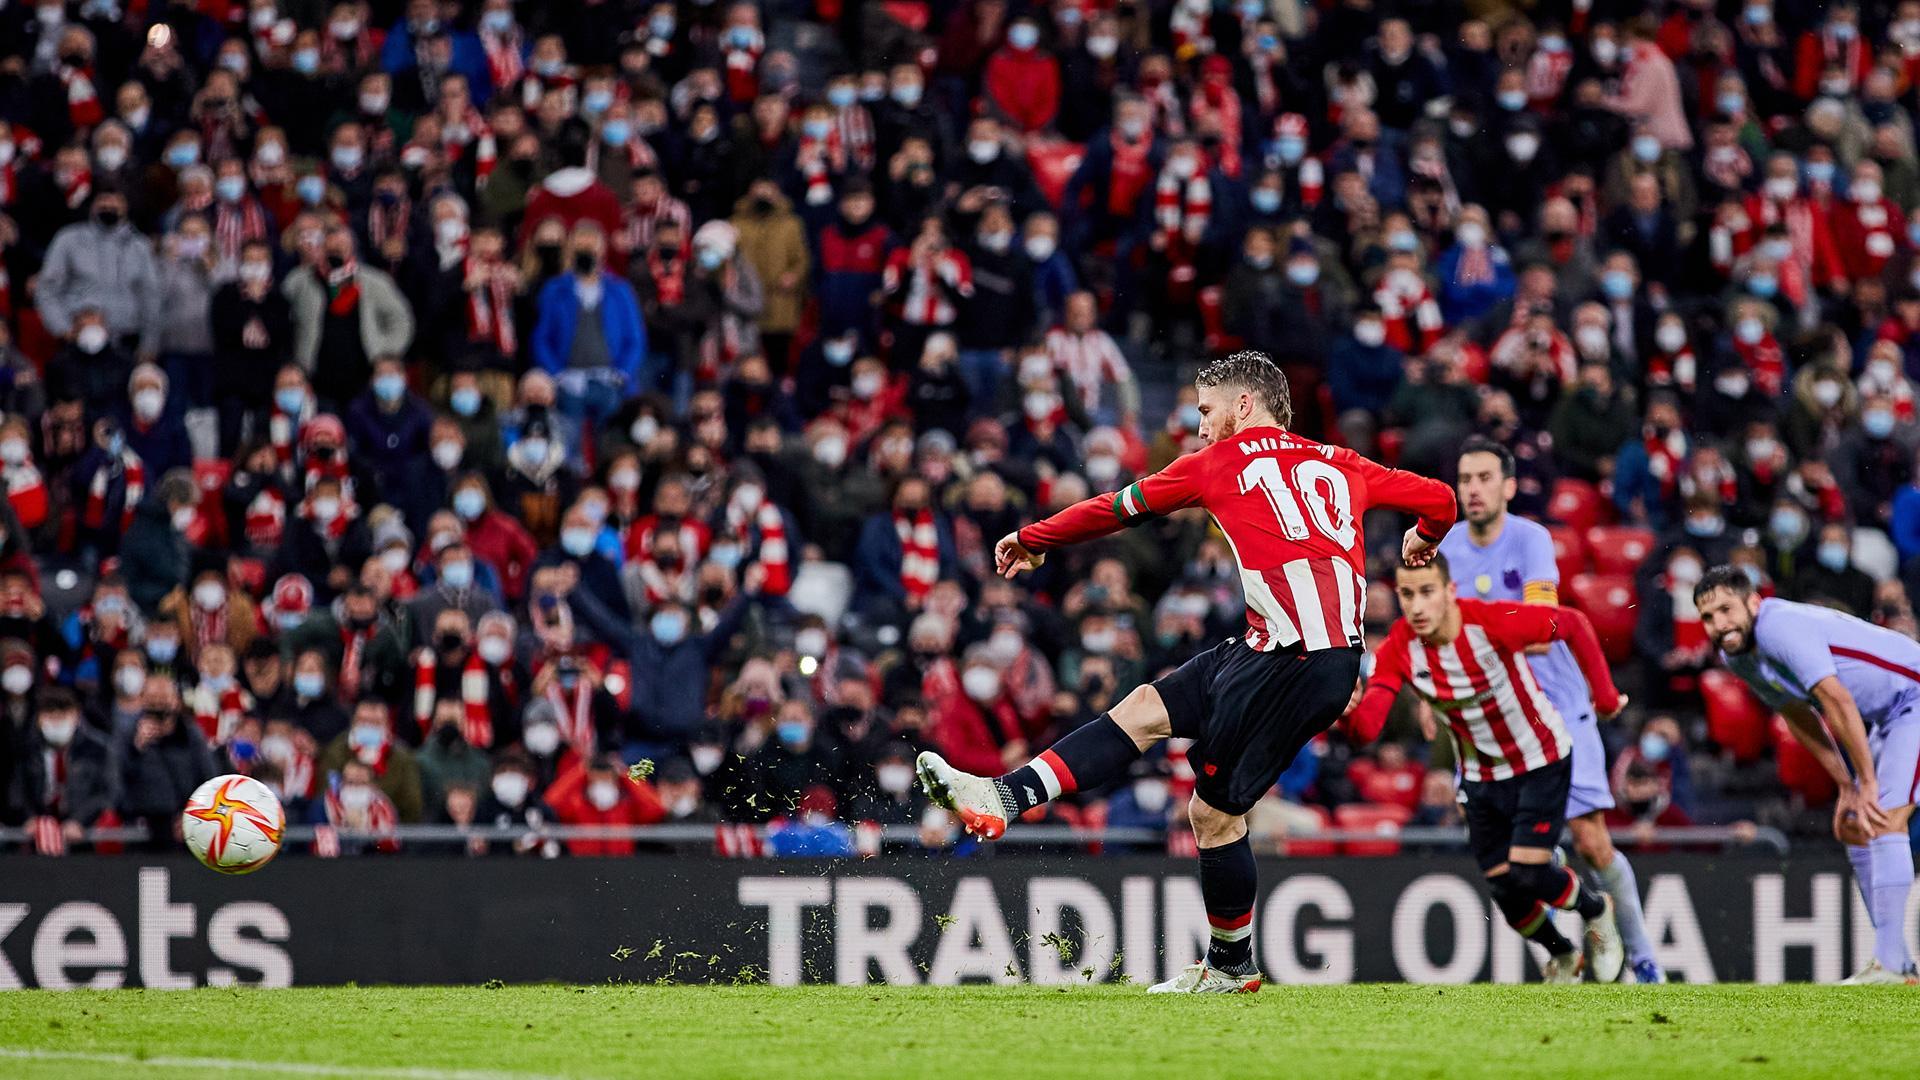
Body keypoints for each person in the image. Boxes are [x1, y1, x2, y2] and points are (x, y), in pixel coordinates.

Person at [915, 350, 1457, 993]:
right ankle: (1001, 799)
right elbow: (1442, 498)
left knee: (1214, 817)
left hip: (1292, 663)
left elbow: (1115, 509)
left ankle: (1231, 968)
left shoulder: (1217, 464)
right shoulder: (1343, 462)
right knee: (1145, 707)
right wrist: (1423, 537)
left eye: (1206, 411)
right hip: (1281, 652)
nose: (1200, 427)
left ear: (1244, 406)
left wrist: (1032, 538)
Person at [1438, 435, 1664, 983]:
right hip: (1488, 718)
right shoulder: (1445, 545)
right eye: (1465, 479)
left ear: (1510, 486)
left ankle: (1641, 958)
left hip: (1556, 708)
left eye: (1485, 477)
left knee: (1591, 840)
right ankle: (1565, 949)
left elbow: (1541, 633)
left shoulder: (1531, 539)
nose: (1473, 488)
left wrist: (1470, 632)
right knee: (1502, 861)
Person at [1345, 555, 1627, 984]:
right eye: (1407, 595)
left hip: (1540, 759)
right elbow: (1368, 729)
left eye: (1426, 592)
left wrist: (1604, 698)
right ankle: (1565, 954)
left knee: (1528, 872)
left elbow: (1572, 624)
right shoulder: (1400, 648)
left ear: (1449, 592)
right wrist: (1346, 709)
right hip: (1480, 776)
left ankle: (1596, 909)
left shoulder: (1494, 620)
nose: (1417, 607)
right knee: (1505, 889)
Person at [1695, 565, 1920, 984]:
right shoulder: (1737, 656)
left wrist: (1866, 783)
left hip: (1913, 697)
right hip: (1886, 717)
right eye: (1707, 617)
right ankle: (1898, 964)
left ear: (1753, 601)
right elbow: (1799, 714)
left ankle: (1891, 964)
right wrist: (1845, 786)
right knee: (1856, 827)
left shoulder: (1778, 627)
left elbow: (1834, 699)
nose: (1719, 624)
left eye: (1726, 609)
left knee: (1885, 816)